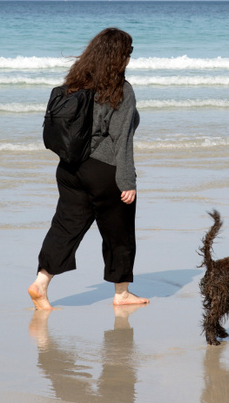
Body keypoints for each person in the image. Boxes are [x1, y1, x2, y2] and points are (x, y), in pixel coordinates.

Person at [28, 28, 149, 311]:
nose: (130, 59)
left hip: (70, 168)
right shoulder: (121, 90)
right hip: (104, 171)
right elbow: (122, 142)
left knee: (65, 227)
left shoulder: (74, 84)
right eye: (128, 53)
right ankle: (121, 294)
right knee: (119, 232)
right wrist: (127, 180)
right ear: (120, 57)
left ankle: (41, 283)